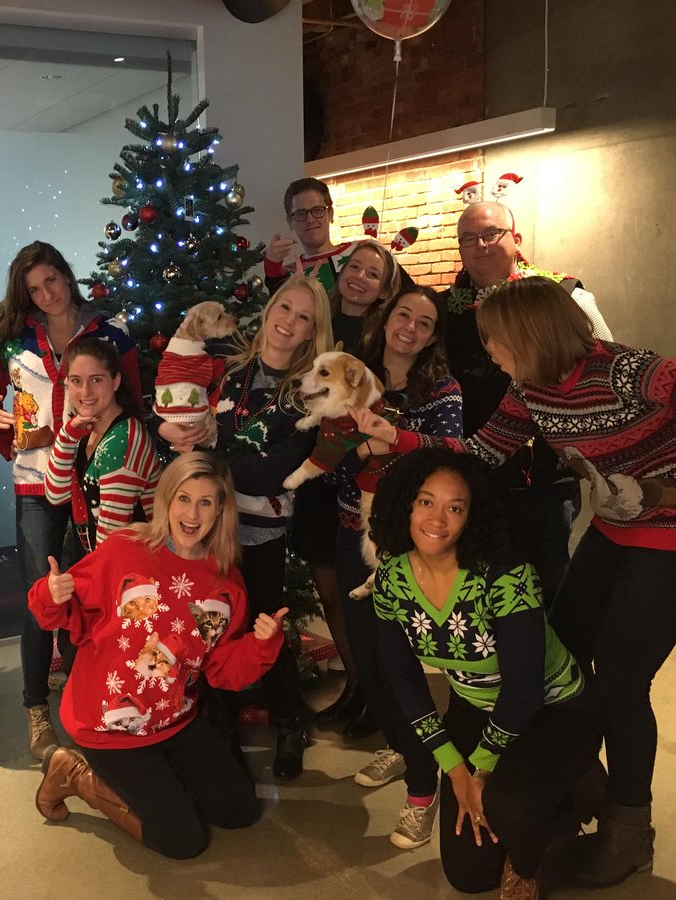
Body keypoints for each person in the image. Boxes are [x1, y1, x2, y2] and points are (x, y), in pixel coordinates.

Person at [352, 277, 676, 888]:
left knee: (622, 682)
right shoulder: (531, 389)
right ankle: (577, 776)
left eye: (493, 339)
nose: (488, 350)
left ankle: (629, 829)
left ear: (527, 335)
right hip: (615, 527)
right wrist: (401, 440)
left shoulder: (625, 371)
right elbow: (481, 453)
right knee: (564, 654)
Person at [367, 447, 601, 899]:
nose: (437, 519)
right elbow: (402, 677)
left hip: (555, 709)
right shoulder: (392, 578)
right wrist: (454, 767)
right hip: (475, 706)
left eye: (455, 507)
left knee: (507, 806)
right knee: (469, 876)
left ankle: (560, 807)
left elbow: (524, 691)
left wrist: (481, 769)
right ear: (404, 505)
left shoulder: (505, 575)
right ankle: (539, 793)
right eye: (426, 501)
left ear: (472, 516)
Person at [29, 452, 286, 859]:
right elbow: (62, 614)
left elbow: (220, 669)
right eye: (184, 498)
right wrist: (50, 593)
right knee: (183, 841)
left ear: (221, 509)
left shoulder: (227, 582)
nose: (192, 514)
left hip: (174, 720)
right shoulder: (124, 550)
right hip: (109, 726)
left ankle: (162, 787)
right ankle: (75, 774)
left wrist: (261, 645)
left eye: (205, 502)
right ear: (166, 500)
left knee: (238, 811)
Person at [158, 275, 333, 779]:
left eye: (303, 317)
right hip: (206, 527)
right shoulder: (229, 371)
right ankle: (222, 733)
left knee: (262, 626)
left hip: (259, 532)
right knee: (210, 629)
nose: (289, 321)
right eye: (284, 307)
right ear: (270, 309)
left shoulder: (308, 395)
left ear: (311, 330)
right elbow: (174, 411)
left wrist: (207, 456)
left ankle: (289, 724)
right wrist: (167, 429)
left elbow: (272, 472)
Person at [0, 241, 141, 760]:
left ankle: (88, 695)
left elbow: (134, 397)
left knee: (92, 594)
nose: (46, 294)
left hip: (96, 481)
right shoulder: (14, 339)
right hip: (36, 484)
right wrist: (11, 446)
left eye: (51, 280)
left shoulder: (109, 331)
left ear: (67, 276)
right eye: (33, 288)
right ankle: (36, 709)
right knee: (40, 598)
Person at [334, 286, 464, 852]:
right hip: (351, 531)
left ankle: (422, 786)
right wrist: (362, 452)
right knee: (367, 661)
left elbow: (451, 452)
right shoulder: (352, 374)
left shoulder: (442, 389)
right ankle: (402, 743)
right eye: (403, 315)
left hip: (405, 545)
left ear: (433, 336)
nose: (409, 327)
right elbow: (328, 451)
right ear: (387, 319)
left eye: (424, 322)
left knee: (399, 666)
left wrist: (391, 438)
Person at [441, 200, 612, 604]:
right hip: (475, 470)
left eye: (491, 234)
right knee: (480, 582)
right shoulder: (443, 307)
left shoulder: (561, 292)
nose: (480, 245)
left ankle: (553, 647)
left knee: (547, 580)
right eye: (468, 238)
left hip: (544, 474)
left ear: (515, 238)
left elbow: (603, 359)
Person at [304, 240, 418, 733]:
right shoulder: (320, 326)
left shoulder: (379, 342)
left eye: (374, 273)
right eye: (355, 266)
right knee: (330, 587)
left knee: (367, 592)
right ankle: (356, 683)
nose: (360, 277)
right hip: (318, 473)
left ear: (385, 288)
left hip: (361, 480)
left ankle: (379, 694)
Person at [43, 339, 160, 554]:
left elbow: (110, 540)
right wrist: (67, 436)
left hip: (133, 563)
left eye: (96, 380)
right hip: (103, 559)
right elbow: (56, 494)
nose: (85, 391)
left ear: (115, 381)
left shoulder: (123, 441)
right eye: (76, 381)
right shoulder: (86, 429)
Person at [262, 177, 354, 294]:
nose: (310, 220)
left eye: (317, 210)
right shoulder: (291, 276)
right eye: (300, 214)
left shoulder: (356, 256)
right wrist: (272, 268)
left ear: (330, 214)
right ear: (290, 221)